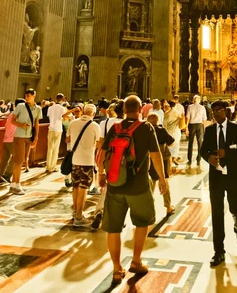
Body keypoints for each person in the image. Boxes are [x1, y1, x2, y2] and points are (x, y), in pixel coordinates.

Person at [98, 95, 167, 284]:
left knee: (113, 228)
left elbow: (102, 152)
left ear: (123, 110)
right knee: (142, 222)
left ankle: (116, 269)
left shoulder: (115, 127)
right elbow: (155, 154)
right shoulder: (146, 127)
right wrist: (162, 178)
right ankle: (136, 261)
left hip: (115, 184)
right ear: (140, 110)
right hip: (138, 186)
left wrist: (101, 175)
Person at [200, 100, 237, 267]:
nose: (216, 113)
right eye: (213, 111)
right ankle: (218, 251)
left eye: (219, 110)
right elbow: (203, 150)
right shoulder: (209, 130)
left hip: (233, 175)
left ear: (226, 111)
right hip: (216, 177)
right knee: (216, 213)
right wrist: (209, 157)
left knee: (235, 207)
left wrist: (227, 153)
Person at [91, 101, 125, 230]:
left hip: (106, 158)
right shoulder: (127, 124)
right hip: (120, 160)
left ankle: (100, 211)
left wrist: (100, 169)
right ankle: (113, 216)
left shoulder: (104, 123)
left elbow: (100, 145)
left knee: (105, 187)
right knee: (118, 189)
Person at [66, 103, 100, 227]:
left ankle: (75, 212)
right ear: (94, 114)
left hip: (75, 159)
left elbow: (67, 140)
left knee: (75, 186)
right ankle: (79, 216)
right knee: (84, 187)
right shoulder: (95, 125)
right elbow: (99, 143)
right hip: (87, 160)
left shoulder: (73, 123)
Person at [10, 89, 42, 195]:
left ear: (34, 95)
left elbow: (37, 123)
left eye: (28, 95)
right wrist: (21, 125)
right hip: (19, 136)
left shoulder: (38, 109)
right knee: (18, 161)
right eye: (26, 96)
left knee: (23, 160)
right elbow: (12, 120)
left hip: (29, 136)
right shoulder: (21, 106)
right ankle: (17, 184)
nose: (27, 97)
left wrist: (36, 137)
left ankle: (14, 184)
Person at [147, 112, 175, 215]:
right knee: (164, 181)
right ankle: (168, 207)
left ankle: (148, 207)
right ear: (157, 120)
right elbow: (171, 142)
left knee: (151, 183)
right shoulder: (161, 130)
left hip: (149, 159)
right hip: (163, 159)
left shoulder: (145, 130)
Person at [0, 98, 25, 185]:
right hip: (12, 139)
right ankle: (7, 175)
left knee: (5, 159)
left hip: (6, 139)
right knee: (17, 157)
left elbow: (6, 126)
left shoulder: (11, 114)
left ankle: (1, 178)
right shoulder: (18, 115)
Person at [46, 93, 73, 173]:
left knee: (50, 148)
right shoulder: (62, 108)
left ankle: (48, 166)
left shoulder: (50, 108)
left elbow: (50, 117)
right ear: (63, 99)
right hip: (58, 129)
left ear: (56, 98)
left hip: (51, 128)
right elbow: (63, 117)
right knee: (55, 148)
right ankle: (52, 166)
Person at [186, 94, 207, 167]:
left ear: (193, 100)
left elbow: (188, 117)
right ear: (199, 100)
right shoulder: (202, 107)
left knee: (190, 142)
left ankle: (189, 158)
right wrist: (204, 128)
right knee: (200, 142)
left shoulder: (190, 107)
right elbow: (204, 119)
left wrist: (186, 128)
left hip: (192, 125)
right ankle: (199, 159)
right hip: (199, 125)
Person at [163, 100, 181, 165]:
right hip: (176, 130)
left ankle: (169, 158)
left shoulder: (166, 114)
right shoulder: (178, 113)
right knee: (176, 145)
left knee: (169, 145)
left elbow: (164, 124)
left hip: (169, 131)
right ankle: (174, 158)